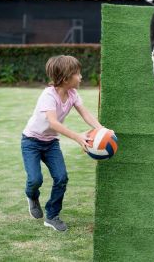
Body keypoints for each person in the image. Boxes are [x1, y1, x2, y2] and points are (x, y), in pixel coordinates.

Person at [21, 55, 102, 232]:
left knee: (61, 177)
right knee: (35, 179)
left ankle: (52, 216)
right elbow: (53, 123)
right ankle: (31, 196)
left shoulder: (73, 94)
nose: (81, 77)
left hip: (51, 143)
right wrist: (78, 137)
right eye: (78, 74)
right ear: (65, 78)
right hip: (31, 142)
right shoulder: (48, 95)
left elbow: (85, 114)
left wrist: (102, 129)